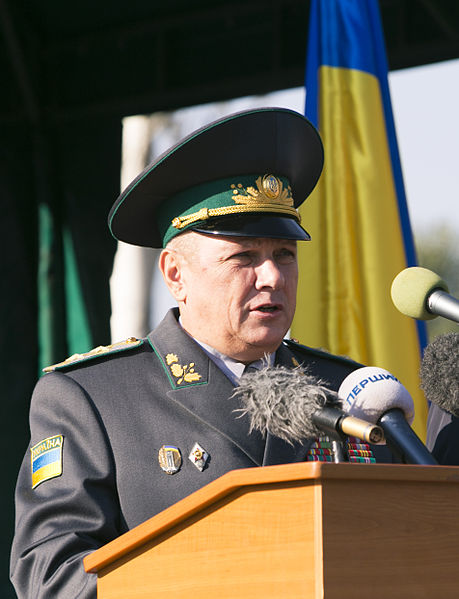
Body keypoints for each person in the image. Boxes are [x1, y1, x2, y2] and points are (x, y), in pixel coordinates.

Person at [11, 107, 387, 598]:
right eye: (244, 257)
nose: (271, 277)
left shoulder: (348, 391)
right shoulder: (92, 399)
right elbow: (52, 576)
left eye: (284, 255)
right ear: (175, 275)